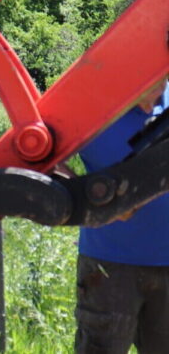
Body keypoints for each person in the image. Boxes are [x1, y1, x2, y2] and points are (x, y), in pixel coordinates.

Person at [73, 76, 169, 354]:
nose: (160, 85)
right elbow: (42, 162)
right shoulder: (93, 111)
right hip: (108, 268)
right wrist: (94, 201)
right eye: (153, 76)